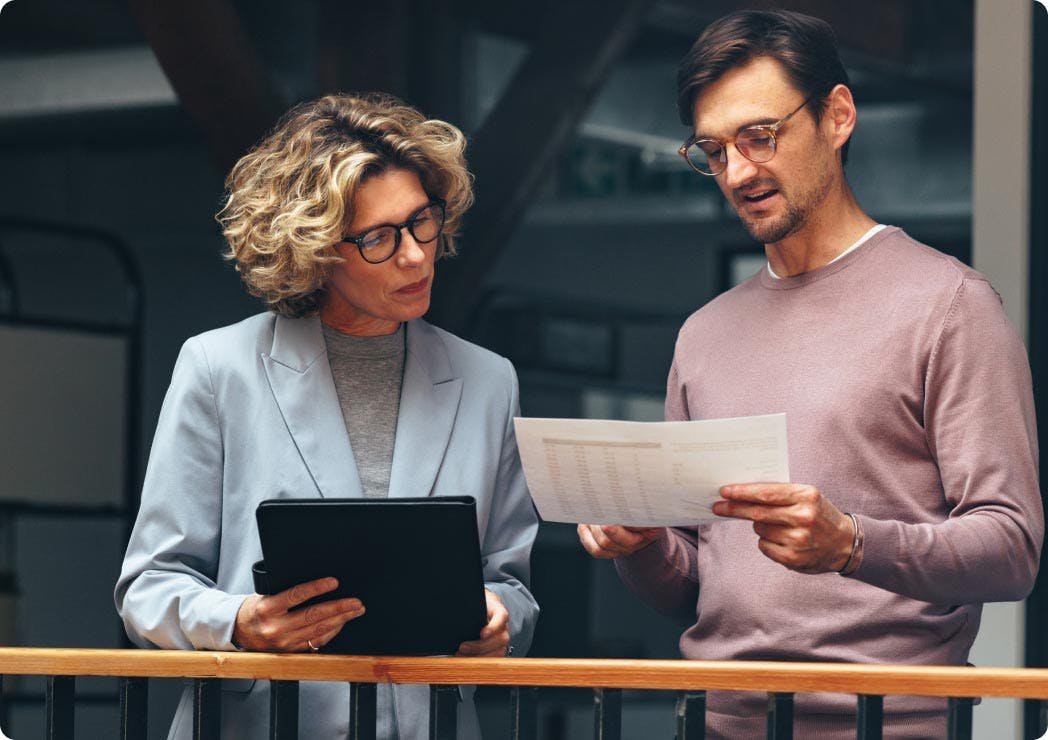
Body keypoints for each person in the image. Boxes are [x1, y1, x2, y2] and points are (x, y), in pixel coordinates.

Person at [577, 9, 1042, 738]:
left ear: (838, 115)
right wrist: (642, 549)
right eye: (714, 151)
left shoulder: (951, 304)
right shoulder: (704, 334)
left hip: (886, 728)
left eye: (759, 137)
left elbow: (1012, 548)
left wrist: (854, 544)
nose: (738, 172)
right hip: (712, 722)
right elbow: (701, 585)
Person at [115, 93, 539, 740]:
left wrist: (501, 617)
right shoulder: (218, 368)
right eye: (377, 238)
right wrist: (240, 623)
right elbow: (149, 586)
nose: (416, 255)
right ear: (312, 247)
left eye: (422, 221)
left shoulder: (488, 381)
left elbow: (511, 584)